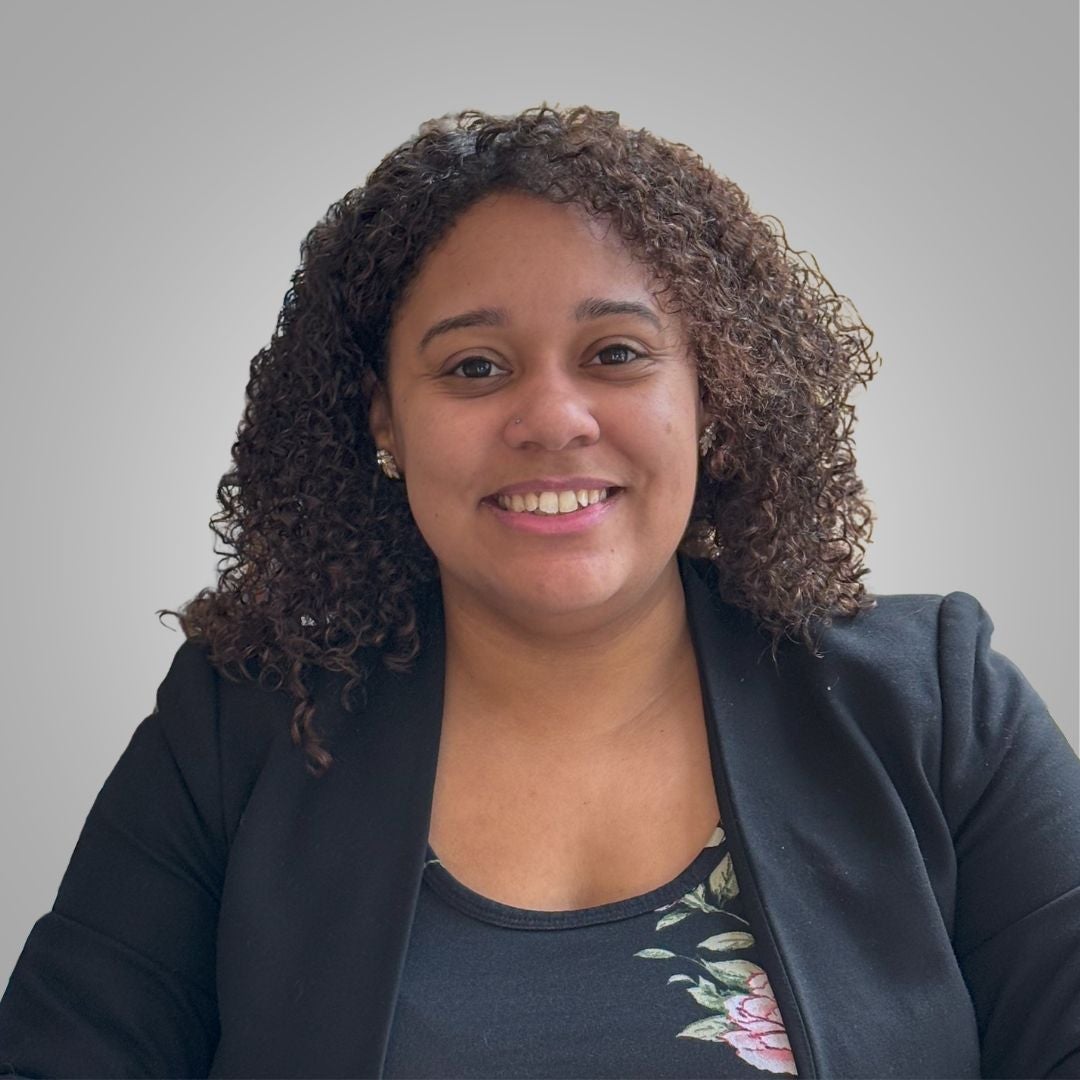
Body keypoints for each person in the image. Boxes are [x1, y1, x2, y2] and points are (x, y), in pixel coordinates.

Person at [0, 104, 1077, 1080]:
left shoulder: (940, 707)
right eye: (474, 366)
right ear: (384, 418)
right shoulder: (237, 726)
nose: (554, 419)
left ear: (712, 393)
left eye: (616, 353)